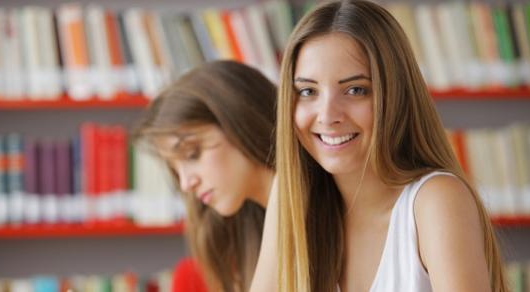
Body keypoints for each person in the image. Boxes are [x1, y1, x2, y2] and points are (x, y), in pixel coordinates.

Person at [250, 1, 507, 291]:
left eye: (355, 90)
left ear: (394, 97)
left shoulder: (434, 201)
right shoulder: (293, 195)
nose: (328, 115)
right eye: (308, 91)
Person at [134, 60, 277, 292]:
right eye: (174, 169)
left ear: (241, 121)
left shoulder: (339, 224)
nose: (186, 183)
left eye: (192, 154)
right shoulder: (213, 267)